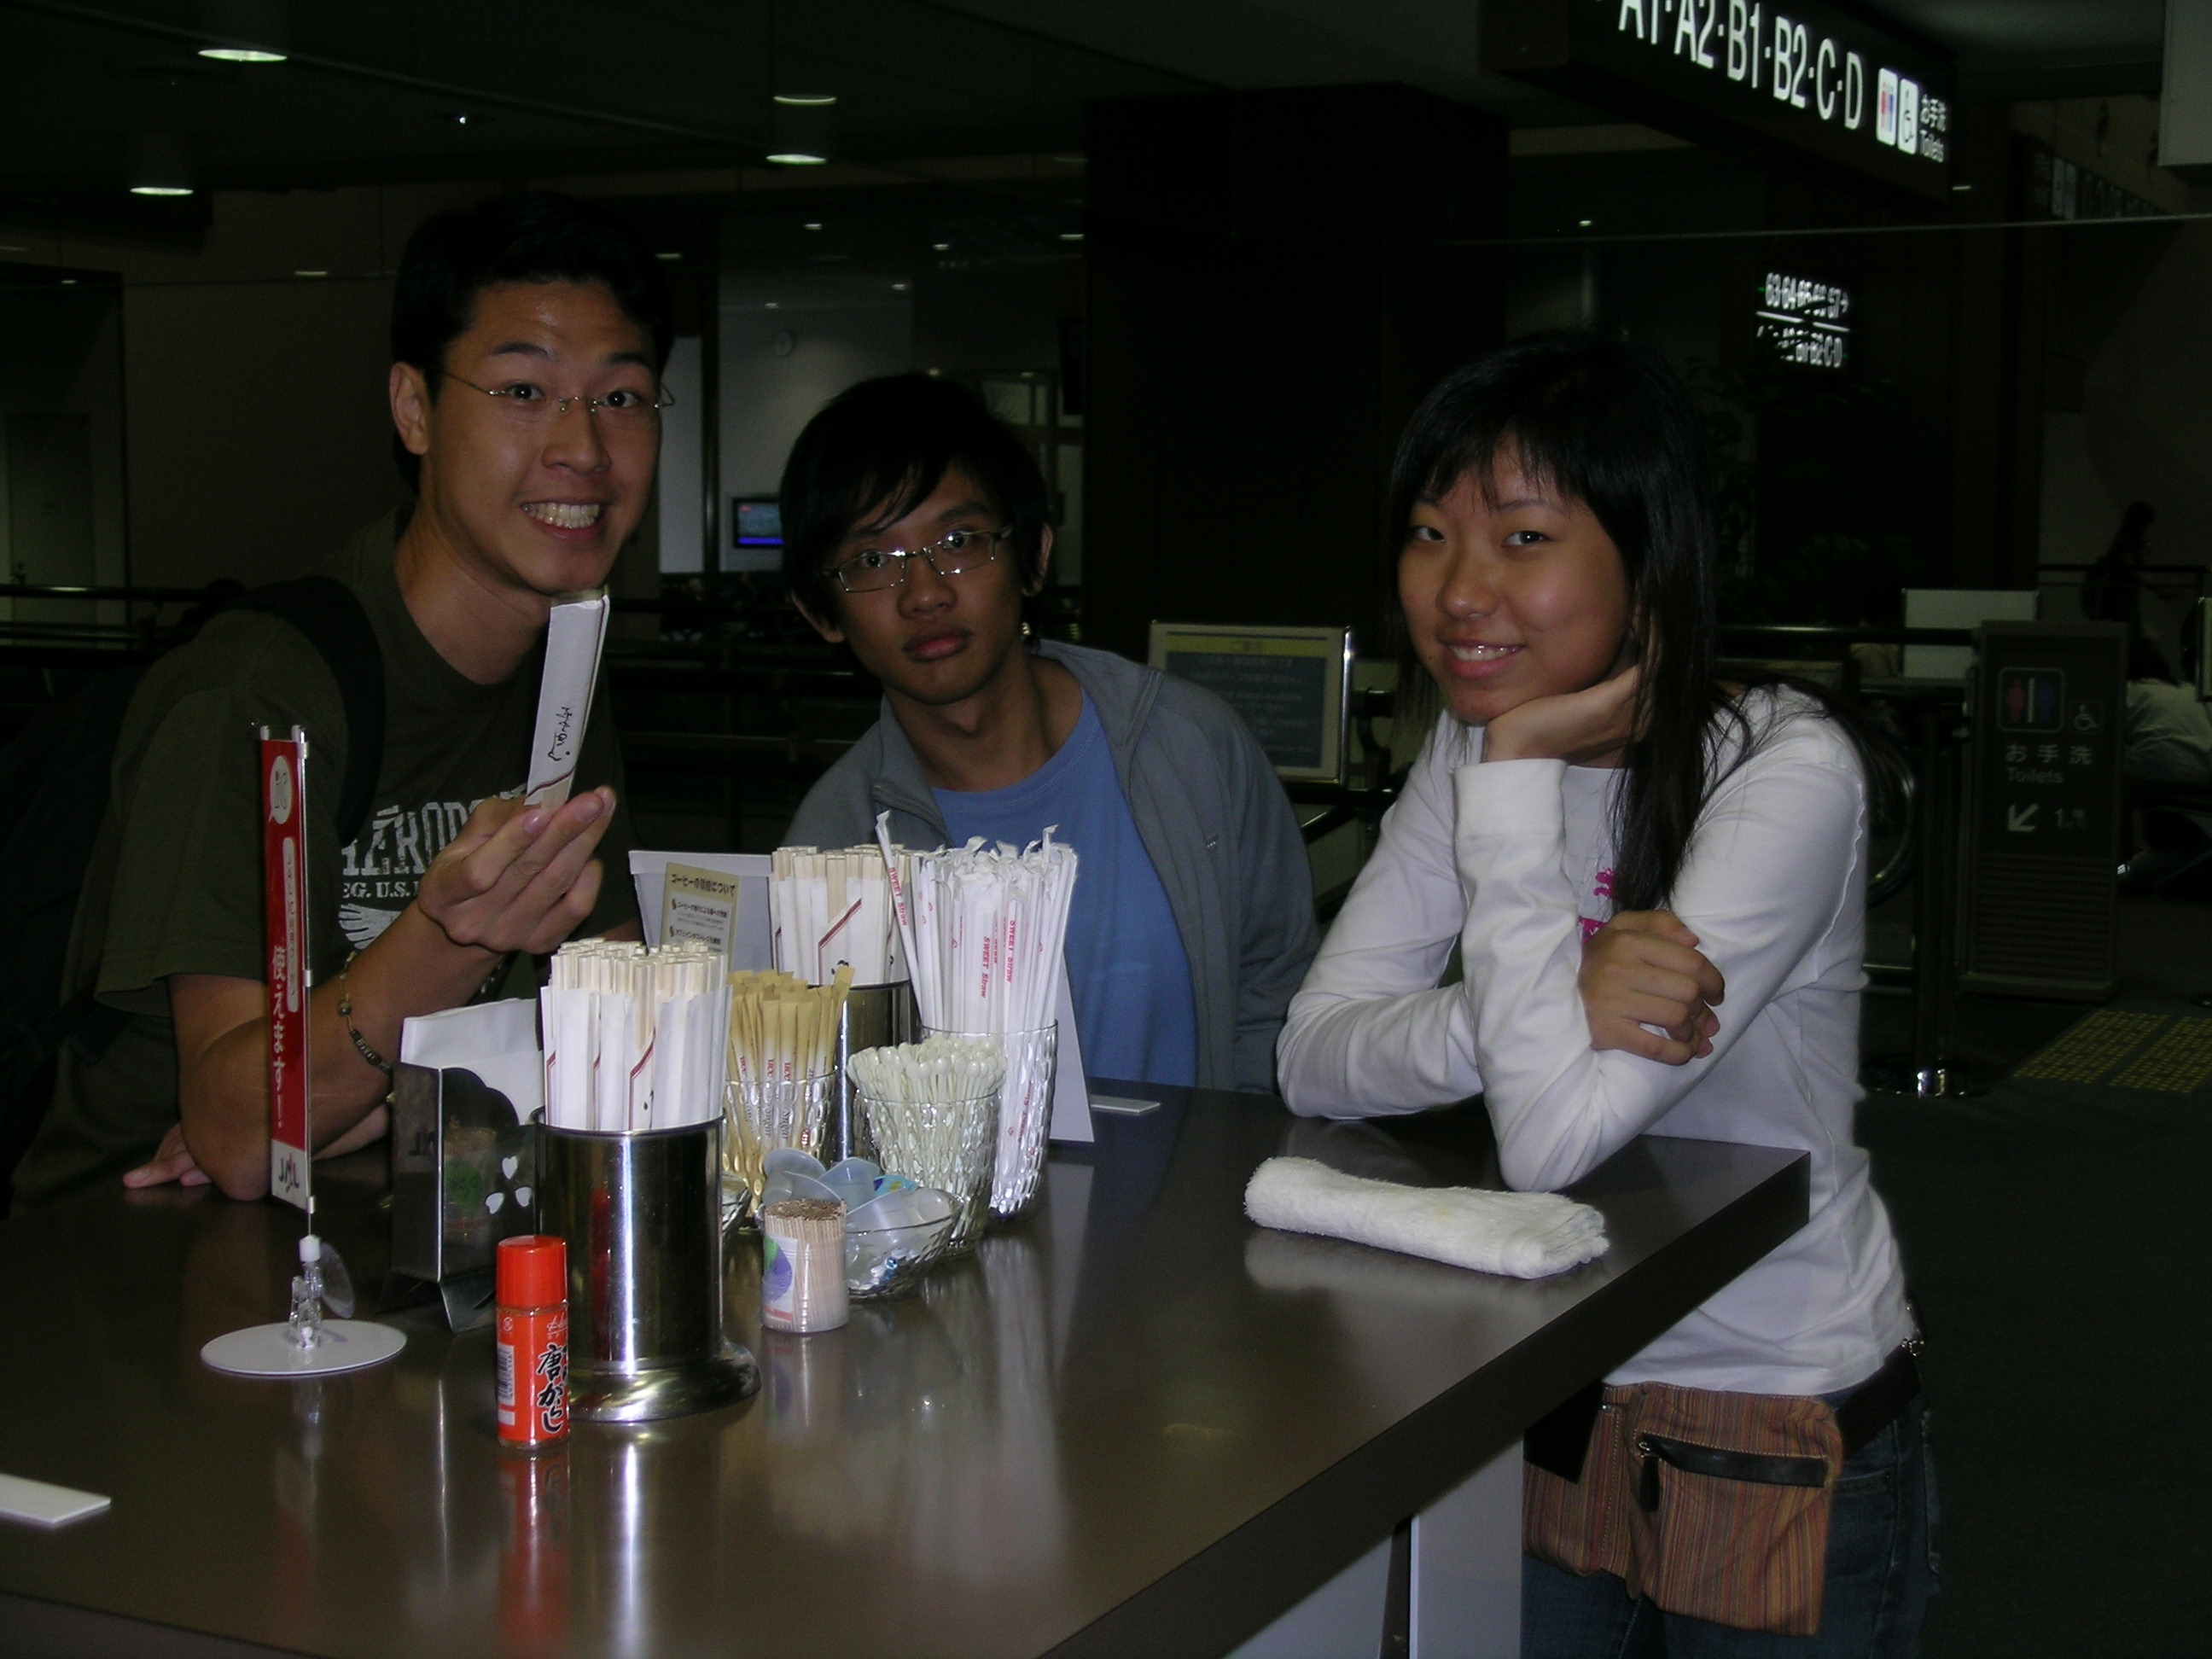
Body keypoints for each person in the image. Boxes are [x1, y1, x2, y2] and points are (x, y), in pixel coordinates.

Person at [1276, 336, 1932, 1655]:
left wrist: (1517, 771)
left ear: (1649, 556)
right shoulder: (1464, 751)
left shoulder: (1781, 773)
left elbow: (1554, 1139)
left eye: (1524, 537)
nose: (1461, 589)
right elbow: (1312, 1056)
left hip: (1769, 1405)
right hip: (1551, 1382)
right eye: (1429, 534)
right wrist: (1552, 997)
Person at [11, 191, 668, 1210]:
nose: (583, 448)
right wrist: (447, 945)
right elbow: (242, 1136)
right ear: (414, 409)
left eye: (622, 397)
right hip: (140, 1253)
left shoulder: (564, 665)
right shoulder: (253, 692)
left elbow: (612, 1028)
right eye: (523, 391)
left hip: (390, 1217)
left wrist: (381, 1100)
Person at [781, 373, 1315, 1093]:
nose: (927, 592)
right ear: (821, 612)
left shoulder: (1187, 745)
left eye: (959, 540)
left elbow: (1277, 990)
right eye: (873, 561)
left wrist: (1235, 1151)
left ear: (1033, 555)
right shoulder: (832, 843)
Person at [2081, 500, 2153, 631]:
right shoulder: (2124, 544)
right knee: (2127, 632)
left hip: (2126, 599)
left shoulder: (2125, 543)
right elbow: (2133, 572)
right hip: (2121, 599)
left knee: (2129, 631)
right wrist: (2157, 589)